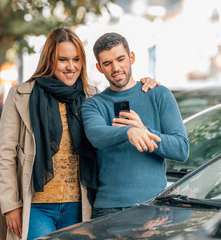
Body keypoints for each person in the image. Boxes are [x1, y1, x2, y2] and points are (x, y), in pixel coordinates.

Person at [0, 27, 158, 240]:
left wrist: (147, 83)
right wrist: (10, 205)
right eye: (63, 60)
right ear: (50, 60)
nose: (71, 67)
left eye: (76, 59)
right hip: (36, 207)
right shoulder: (21, 95)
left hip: (79, 207)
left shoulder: (92, 97)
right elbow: (6, 154)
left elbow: (114, 134)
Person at [81, 32, 189, 219]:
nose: (116, 67)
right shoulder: (93, 104)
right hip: (108, 210)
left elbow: (181, 149)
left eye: (120, 59)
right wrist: (129, 132)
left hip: (153, 208)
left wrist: (144, 131)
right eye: (107, 63)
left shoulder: (159, 94)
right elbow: (96, 135)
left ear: (131, 57)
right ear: (99, 68)